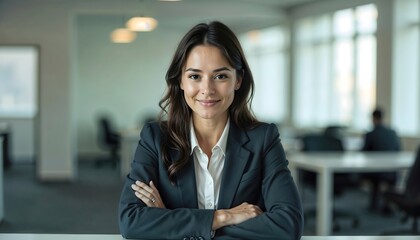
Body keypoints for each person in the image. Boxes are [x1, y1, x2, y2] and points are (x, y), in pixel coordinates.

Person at [118, 21, 303, 239]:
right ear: (181, 81)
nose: (207, 89)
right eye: (195, 76)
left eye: (221, 76)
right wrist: (223, 217)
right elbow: (131, 221)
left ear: (238, 80)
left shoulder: (263, 138)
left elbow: (287, 225)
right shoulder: (155, 138)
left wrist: (171, 219)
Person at [361, 108, 401, 213]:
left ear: (373, 119)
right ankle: (388, 203)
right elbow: (398, 150)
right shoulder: (393, 132)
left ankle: (374, 204)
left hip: (377, 171)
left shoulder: (370, 134)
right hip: (393, 171)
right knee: (386, 178)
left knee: (374, 177)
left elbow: (364, 153)